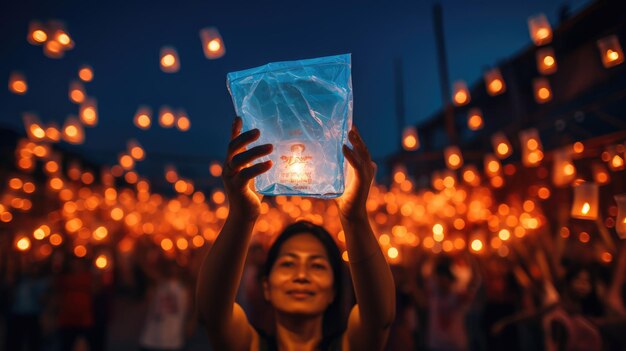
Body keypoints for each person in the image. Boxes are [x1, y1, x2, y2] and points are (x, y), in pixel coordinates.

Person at [196, 117, 396, 351]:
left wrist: (355, 219)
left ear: (334, 290)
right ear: (266, 286)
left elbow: (379, 321)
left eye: (317, 266)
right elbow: (211, 316)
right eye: (288, 264)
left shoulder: (349, 346)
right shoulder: (248, 345)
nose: (301, 275)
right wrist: (241, 216)